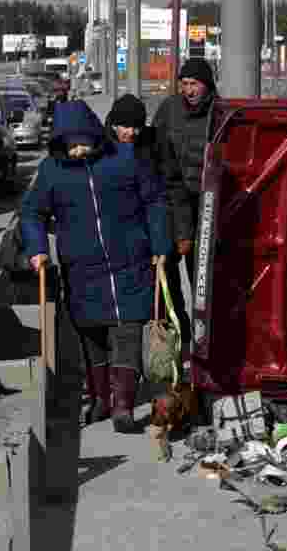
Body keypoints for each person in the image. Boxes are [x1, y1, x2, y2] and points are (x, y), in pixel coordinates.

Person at [21, 99, 171, 433]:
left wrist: (161, 243)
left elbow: (154, 201)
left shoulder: (126, 159)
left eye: (82, 143)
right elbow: (32, 213)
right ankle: (101, 399)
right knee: (92, 337)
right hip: (82, 269)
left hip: (130, 262)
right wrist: (37, 249)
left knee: (128, 331)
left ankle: (123, 406)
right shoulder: (51, 171)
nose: (77, 150)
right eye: (70, 145)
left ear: (94, 136)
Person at [151, 58, 219, 352]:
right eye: (185, 84)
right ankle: (180, 331)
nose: (189, 90)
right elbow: (153, 145)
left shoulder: (221, 112)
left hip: (206, 203)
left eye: (195, 84)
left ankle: (207, 337)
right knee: (166, 269)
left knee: (201, 275)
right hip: (171, 198)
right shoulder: (169, 109)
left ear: (207, 85)